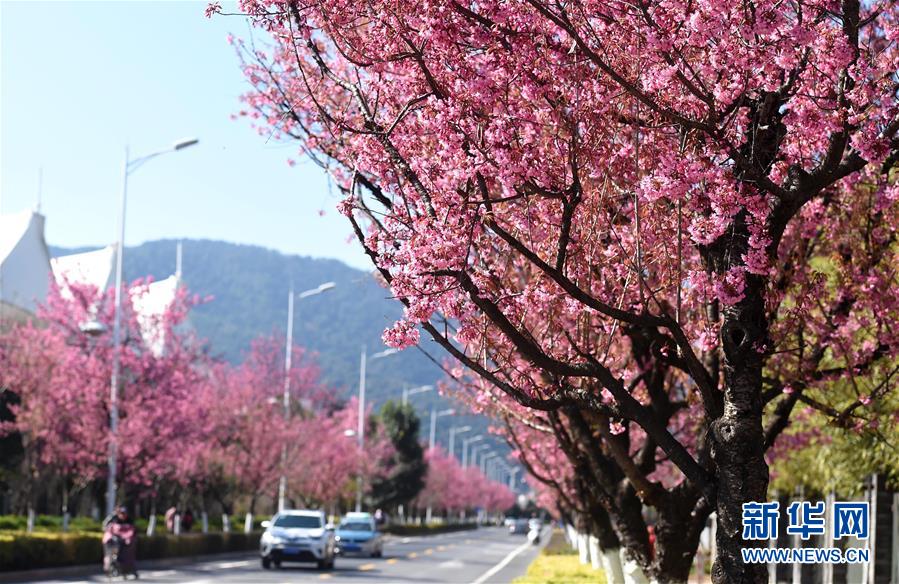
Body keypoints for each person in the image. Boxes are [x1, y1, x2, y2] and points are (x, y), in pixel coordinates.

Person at [103, 505, 138, 579]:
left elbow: (133, 530)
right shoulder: (113, 518)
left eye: (124, 513)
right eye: (121, 513)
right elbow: (106, 527)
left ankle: (127, 569)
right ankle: (109, 567)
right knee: (110, 554)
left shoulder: (129, 520)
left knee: (127, 554)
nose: (123, 515)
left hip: (124, 541)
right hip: (112, 541)